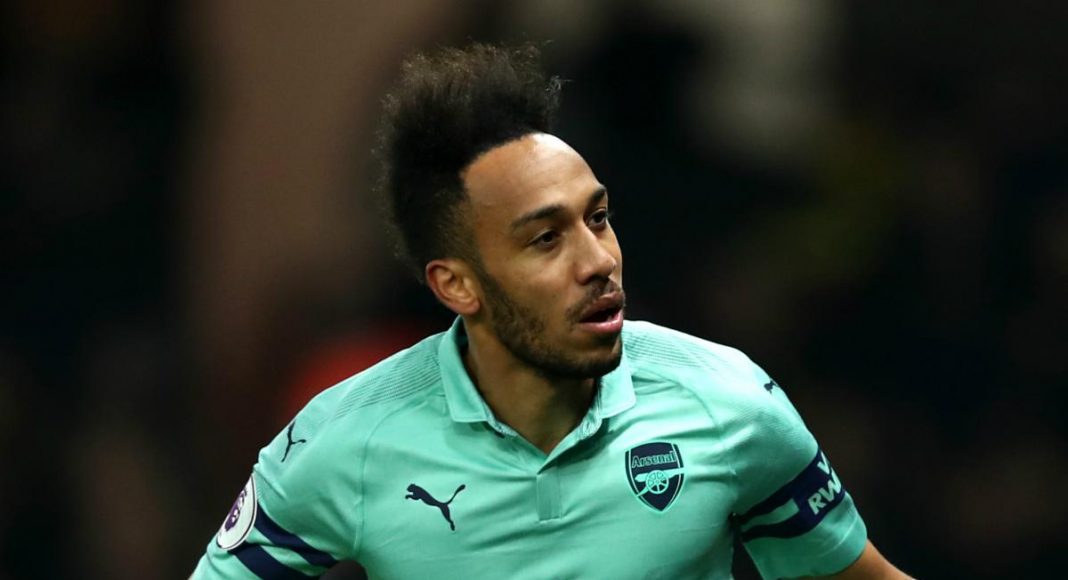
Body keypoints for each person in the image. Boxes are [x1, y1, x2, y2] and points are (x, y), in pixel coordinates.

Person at [192, 43, 908, 579]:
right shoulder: (347, 442)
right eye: (545, 239)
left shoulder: (728, 405)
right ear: (457, 285)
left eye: (597, 218)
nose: (598, 261)